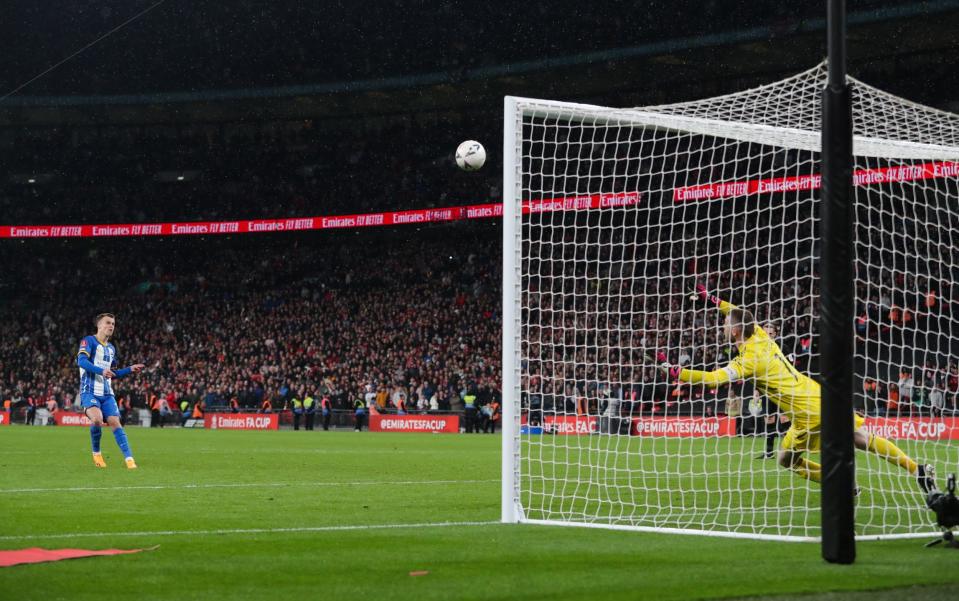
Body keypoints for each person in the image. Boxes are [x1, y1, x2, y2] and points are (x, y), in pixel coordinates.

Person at [657, 285, 937, 494]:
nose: (723, 324)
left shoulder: (748, 360)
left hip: (804, 411)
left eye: (726, 323)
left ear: (734, 332)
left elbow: (714, 379)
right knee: (859, 436)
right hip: (816, 392)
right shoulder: (760, 336)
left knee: (788, 459)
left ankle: (840, 481)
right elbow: (739, 313)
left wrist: (678, 372)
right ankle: (917, 470)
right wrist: (712, 299)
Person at [76, 313, 145, 469]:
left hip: (107, 394)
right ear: (99, 325)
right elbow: (81, 361)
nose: (111, 326)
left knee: (115, 422)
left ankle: (129, 459)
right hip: (90, 391)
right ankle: (97, 454)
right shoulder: (89, 341)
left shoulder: (112, 349)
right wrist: (101, 371)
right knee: (97, 420)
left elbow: (112, 374)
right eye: (108, 323)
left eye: (113, 323)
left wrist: (129, 369)